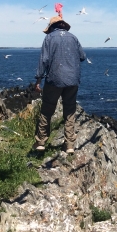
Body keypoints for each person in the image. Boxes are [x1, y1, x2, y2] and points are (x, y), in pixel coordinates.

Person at [34, 12, 86, 153]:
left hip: (54, 79)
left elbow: (43, 60)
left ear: (52, 27)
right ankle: (69, 144)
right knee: (69, 111)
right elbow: (82, 57)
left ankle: (41, 142)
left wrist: (38, 79)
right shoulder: (73, 38)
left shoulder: (49, 38)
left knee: (47, 110)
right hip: (72, 80)